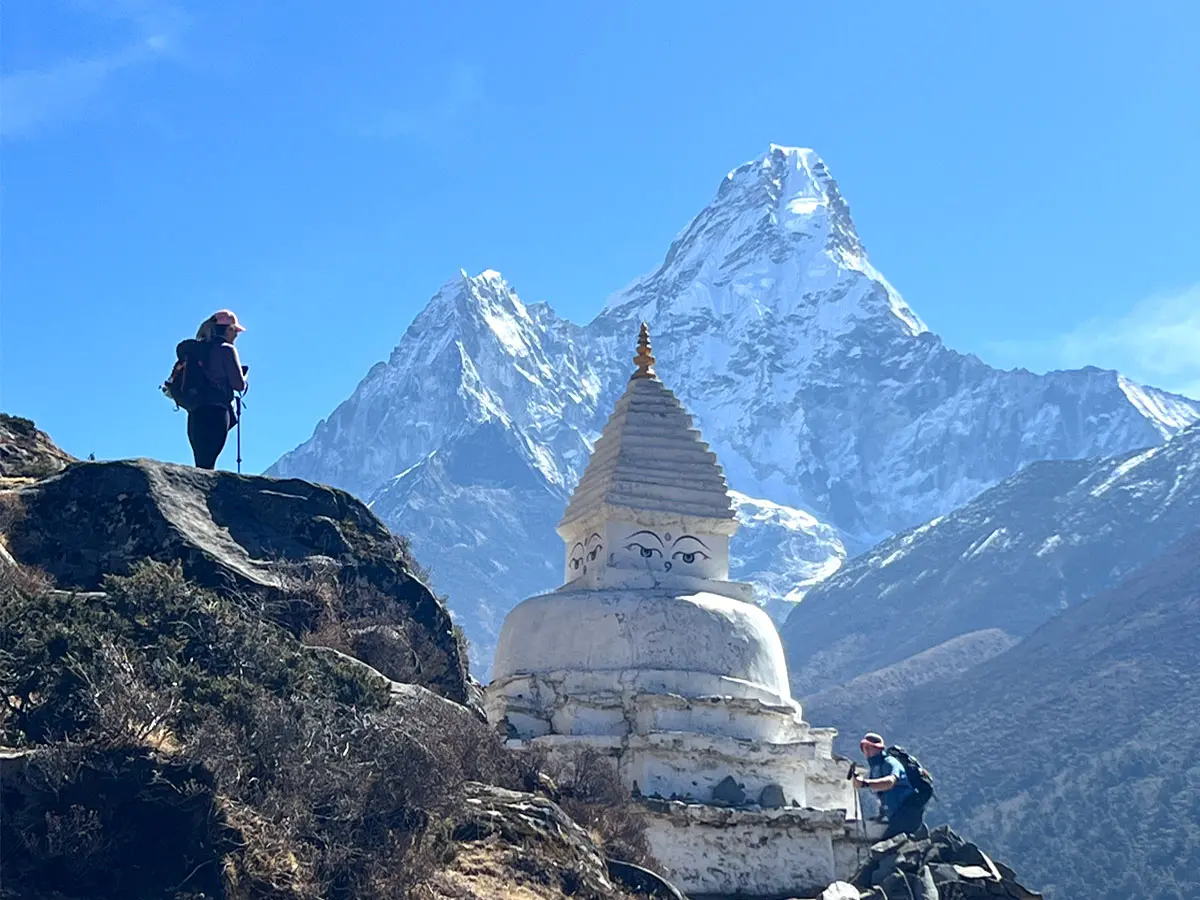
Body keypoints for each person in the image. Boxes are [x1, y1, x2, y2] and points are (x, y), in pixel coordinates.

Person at [187, 309, 248, 470]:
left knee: (201, 463)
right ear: (229, 329)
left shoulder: (200, 350)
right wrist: (245, 378)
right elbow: (238, 385)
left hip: (195, 412)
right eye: (235, 331)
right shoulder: (226, 349)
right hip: (217, 413)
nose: (236, 335)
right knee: (208, 465)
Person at [853, 732, 928, 839]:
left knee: (886, 849)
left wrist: (865, 783)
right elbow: (881, 795)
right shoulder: (874, 770)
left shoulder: (890, 762)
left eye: (870, 748)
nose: (867, 752)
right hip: (896, 815)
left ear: (879, 748)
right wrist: (881, 815)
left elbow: (890, 782)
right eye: (865, 749)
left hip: (908, 810)